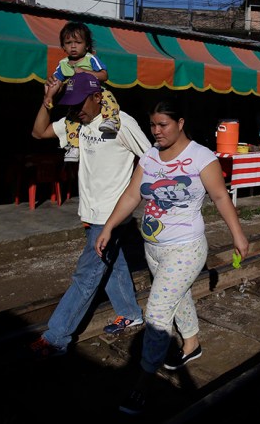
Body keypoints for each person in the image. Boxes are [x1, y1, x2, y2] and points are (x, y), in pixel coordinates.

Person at [94, 100, 249, 415]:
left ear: (180, 123)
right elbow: (132, 194)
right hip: (154, 249)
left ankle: (143, 383)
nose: (156, 131)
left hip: (186, 248)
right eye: (152, 125)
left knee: (157, 314)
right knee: (178, 299)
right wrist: (109, 226)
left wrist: (238, 235)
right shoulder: (150, 156)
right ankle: (192, 344)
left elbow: (220, 196)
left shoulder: (201, 157)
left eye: (162, 124)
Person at [29, 71, 152, 358]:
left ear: (98, 97)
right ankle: (130, 313)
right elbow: (39, 132)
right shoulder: (75, 123)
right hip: (91, 211)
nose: (75, 109)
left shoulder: (121, 123)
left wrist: (132, 196)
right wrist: (48, 101)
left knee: (86, 275)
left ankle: (57, 336)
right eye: (70, 103)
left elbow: (149, 158)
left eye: (79, 102)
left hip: (111, 215)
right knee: (113, 263)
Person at [44, 21, 121, 163]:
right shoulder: (63, 64)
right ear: (63, 46)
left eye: (78, 42)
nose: (73, 46)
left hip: (96, 93)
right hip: (76, 99)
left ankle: (111, 121)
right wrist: (48, 97)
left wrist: (86, 72)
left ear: (86, 45)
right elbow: (55, 82)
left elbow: (104, 75)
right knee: (70, 120)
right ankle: (73, 147)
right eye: (68, 42)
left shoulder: (90, 59)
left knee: (109, 99)